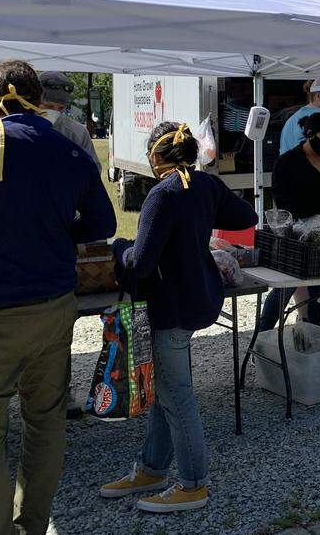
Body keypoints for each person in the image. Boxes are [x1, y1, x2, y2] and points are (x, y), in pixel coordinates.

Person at [0, 60, 116, 533]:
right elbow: (102, 224)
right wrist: (57, 234)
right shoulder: (70, 150)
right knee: (45, 425)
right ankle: (32, 525)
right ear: (37, 97)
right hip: (54, 306)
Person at [101, 121, 255, 513]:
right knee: (164, 392)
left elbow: (140, 263)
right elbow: (246, 216)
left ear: (157, 155)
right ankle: (153, 468)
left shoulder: (162, 193)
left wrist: (119, 247)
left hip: (170, 305)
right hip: (198, 297)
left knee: (176, 396)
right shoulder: (206, 185)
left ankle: (193, 484)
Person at [259, 113, 320, 330]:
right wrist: (314, 217)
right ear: (309, 135)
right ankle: (262, 333)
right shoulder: (287, 162)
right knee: (285, 287)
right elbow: (283, 200)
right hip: (298, 237)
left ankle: (316, 335)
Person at [38, 70, 100, 168]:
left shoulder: (77, 133)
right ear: (34, 101)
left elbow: (93, 170)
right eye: (48, 106)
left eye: (61, 108)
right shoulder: (22, 127)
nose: (55, 112)